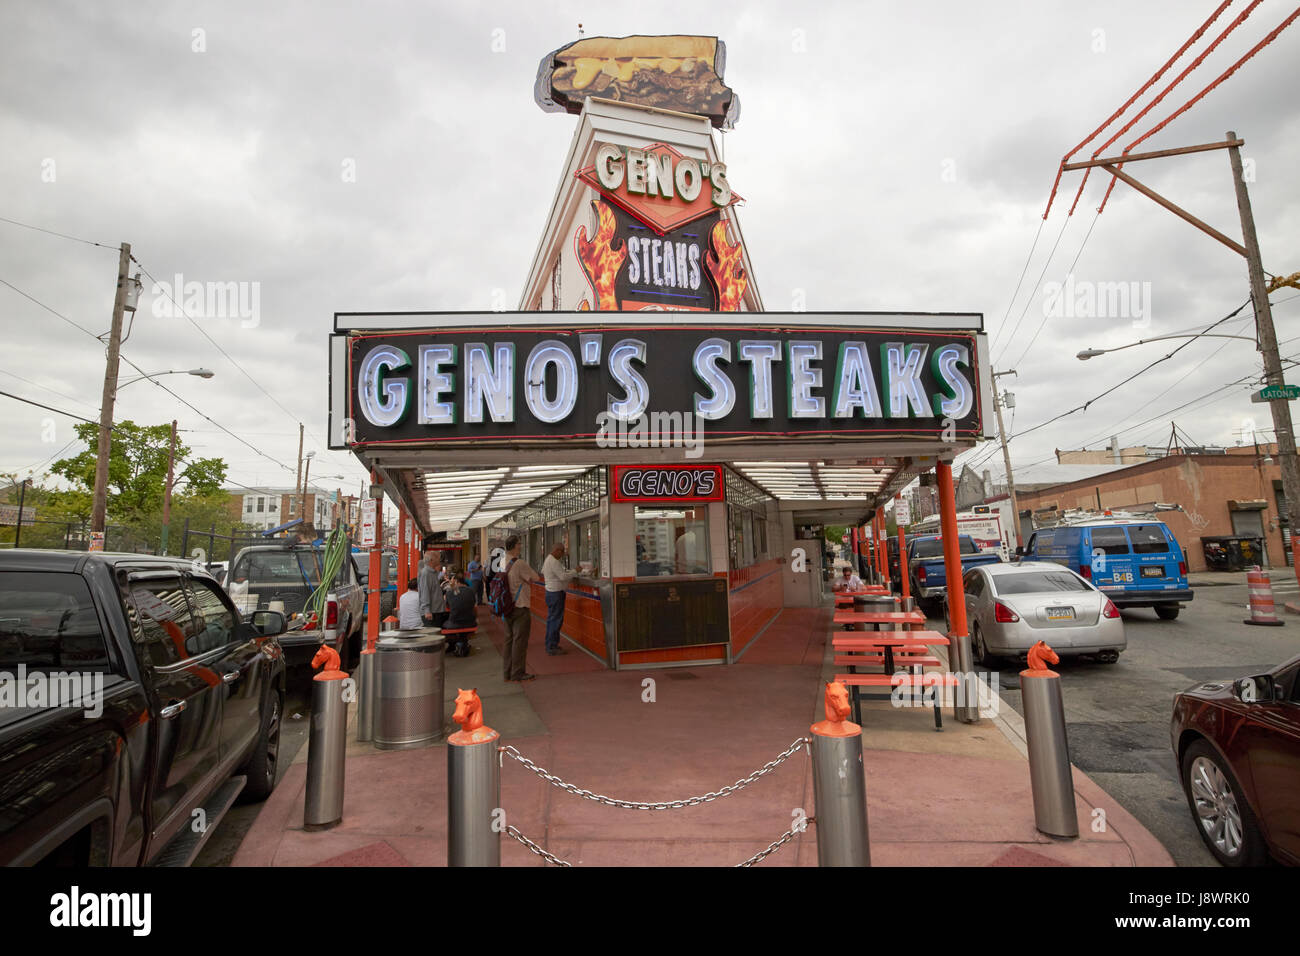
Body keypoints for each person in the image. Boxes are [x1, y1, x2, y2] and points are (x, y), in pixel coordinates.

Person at [503, 534, 539, 681]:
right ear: (514, 546)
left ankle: (507, 671)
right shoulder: (519, 563)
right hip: (520, 606)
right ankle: (518, 672)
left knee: (508, 639)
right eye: (519, 544)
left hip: (506, 606)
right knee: (520, 640)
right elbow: (534, 577)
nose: (521, 546)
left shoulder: (501, 561)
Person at [541, 541, 575, 656]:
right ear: (556, 550)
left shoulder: (548, 560)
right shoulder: (554, 562)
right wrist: (575, 572)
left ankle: (550, 644)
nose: (563, 554)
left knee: (552, 619)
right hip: (556, 593)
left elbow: (544, 572)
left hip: (550, 592)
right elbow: (562, 576)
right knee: (556, 620)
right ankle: (552, 646)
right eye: (562, 551)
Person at [444, 567, 477, 656]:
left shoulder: (449, 592)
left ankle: (454, 644)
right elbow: (474, 606)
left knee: (444, 624)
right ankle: (462, 643)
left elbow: (447, 606)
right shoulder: (471, 591)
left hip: (454, 623)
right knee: (462, 618)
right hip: (471, 622)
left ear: (457, 582)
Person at [418, 551, 447, 628]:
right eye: (437, 557)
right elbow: (425, 592)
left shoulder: (433, 573)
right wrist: (427, 611)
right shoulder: (426, 573)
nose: (439, 559)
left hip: (436, 611)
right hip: (432, 613)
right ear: (431, 560)